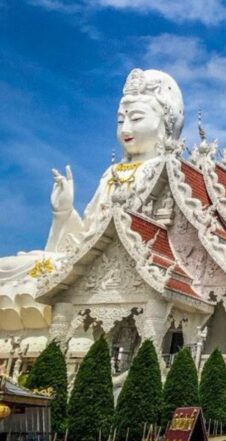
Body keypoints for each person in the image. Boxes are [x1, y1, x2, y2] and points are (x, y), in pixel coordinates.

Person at [0, 69, 184, 301]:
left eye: (136, 118)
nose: (125, 129)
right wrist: (63, 212)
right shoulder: (111, 173)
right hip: (86, 259)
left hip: (131, 265)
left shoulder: (165, 171)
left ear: (164, 125)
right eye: (120, 120)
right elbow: (85, 235)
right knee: (9, 266)